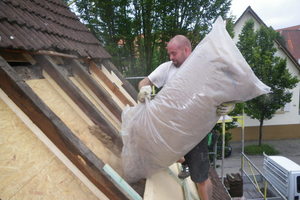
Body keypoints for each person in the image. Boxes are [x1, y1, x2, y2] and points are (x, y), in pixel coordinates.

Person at [137, 35, 234, 200]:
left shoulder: (203, 70)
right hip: (170, 131)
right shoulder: (167, 68)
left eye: (174, 53)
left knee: (201, 179)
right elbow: (145, 82)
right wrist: (143, 89)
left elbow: (226, 90)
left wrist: (231, 104)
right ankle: (182, 160)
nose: (171, 57)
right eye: (170, 54)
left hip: (195, 134)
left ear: (186, 50)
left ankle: (188, 166)